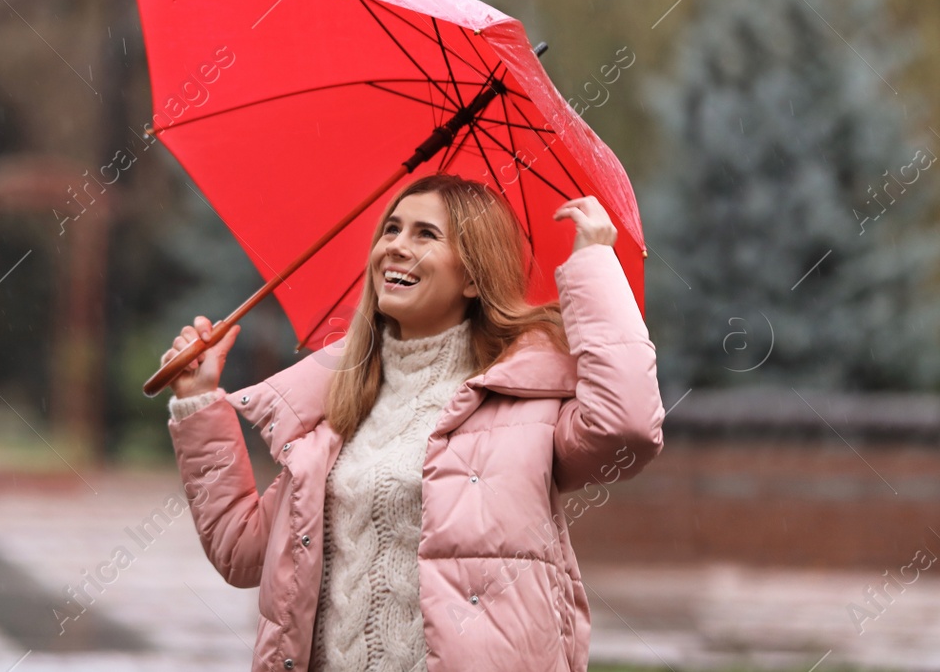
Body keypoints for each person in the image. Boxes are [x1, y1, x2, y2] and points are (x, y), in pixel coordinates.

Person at [161, 173, 663, 672]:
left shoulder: (526, 403)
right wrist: (198, 401)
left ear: (472, 277)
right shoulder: (336, 407)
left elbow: (627, 428)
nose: (396, 247)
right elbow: (241, 549)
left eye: (425, 234)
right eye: (391, 229)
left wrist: (593, 265)